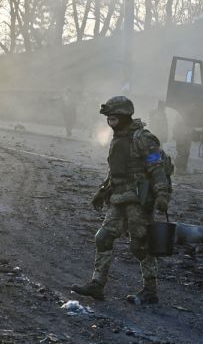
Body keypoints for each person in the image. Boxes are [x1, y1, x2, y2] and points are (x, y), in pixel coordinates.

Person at [72, 96, 172, 305]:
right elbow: (116, 171)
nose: (110, 121)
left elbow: (157, 167)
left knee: (140, 245)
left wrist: (162, 194)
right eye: (109, 117)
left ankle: (150, 290)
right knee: (103, 238)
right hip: (118, 198)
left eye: (114, 117)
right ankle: (97, 285)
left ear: (125, 116)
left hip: (138, 200)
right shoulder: (118, 139)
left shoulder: (142, 138)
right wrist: (102, 191)